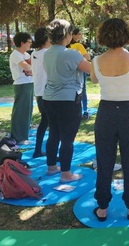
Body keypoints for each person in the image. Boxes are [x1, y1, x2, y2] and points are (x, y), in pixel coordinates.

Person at [90, 18, 129, 222]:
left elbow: (94, 79)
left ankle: (102, 207)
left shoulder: (97, 61)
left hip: (106, 112)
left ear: (103, 36)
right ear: (126, 35)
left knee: (104, 160)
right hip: (128, 112)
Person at [43, 19, 91, 183]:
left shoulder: (47, 52)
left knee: (54, 134)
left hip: (49, 98)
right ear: (67, 35)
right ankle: (66, 173)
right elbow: (90, 69)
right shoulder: (70, 53)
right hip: (68, 100)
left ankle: (51, 167)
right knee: (67, 138)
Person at [9, 32, 34, 144]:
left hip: (29, 83)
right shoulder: (16, 54)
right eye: (28, 42)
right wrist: (34, 68)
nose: (30, 44)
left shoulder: (26, 55)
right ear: (22, 43)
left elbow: (32, 67)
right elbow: (26, 67)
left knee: (28, 109)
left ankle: (24, 133)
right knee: (21, 111)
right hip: (21, 84)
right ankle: (19, 137)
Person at [31, 28, 51, 158]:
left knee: (45, 122)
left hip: (39, 92)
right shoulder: (47, 53)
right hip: (48, 93)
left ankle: (38, 150)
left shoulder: (34, 53)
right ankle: (51, 154)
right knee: (52, 124)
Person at [68, 28, 92, 120]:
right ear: (73, 35)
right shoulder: (78, 45)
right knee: (83, 90)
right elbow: (87, 56)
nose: (80, 36)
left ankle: (74, 111)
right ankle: (85, 111)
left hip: (70, 71)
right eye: (78, 34)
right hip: (80, 69)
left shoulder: (66, 47)